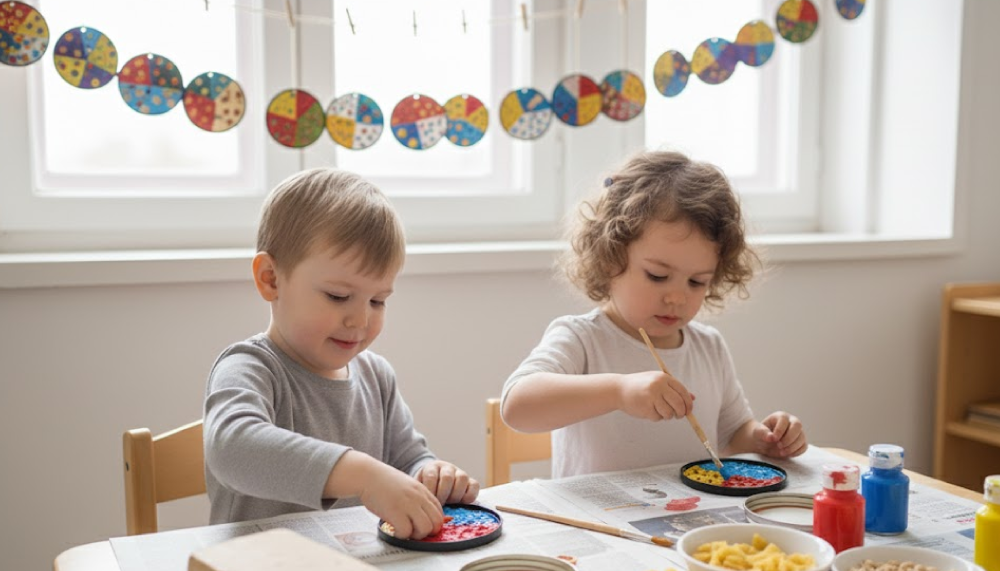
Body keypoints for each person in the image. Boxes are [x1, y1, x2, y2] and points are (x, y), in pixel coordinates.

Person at [204, 168, 479, 538]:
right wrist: (363, 473)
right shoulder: (250, 367)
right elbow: (231, 449)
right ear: (270, 279)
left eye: (378, 300)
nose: (360, 319)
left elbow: (409, 459)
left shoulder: (376, 376)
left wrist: (432, 475)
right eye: (338, 296)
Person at [501, 150, 807, 478]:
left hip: (688, 524)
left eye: (697, 282)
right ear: (610, 257)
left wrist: (766, 439)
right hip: (598, 525)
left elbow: (731, 436)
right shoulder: (583, 339)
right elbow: (517, 407)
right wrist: (618, 391)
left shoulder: (708, 346)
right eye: (657, 276)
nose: (676, 297)